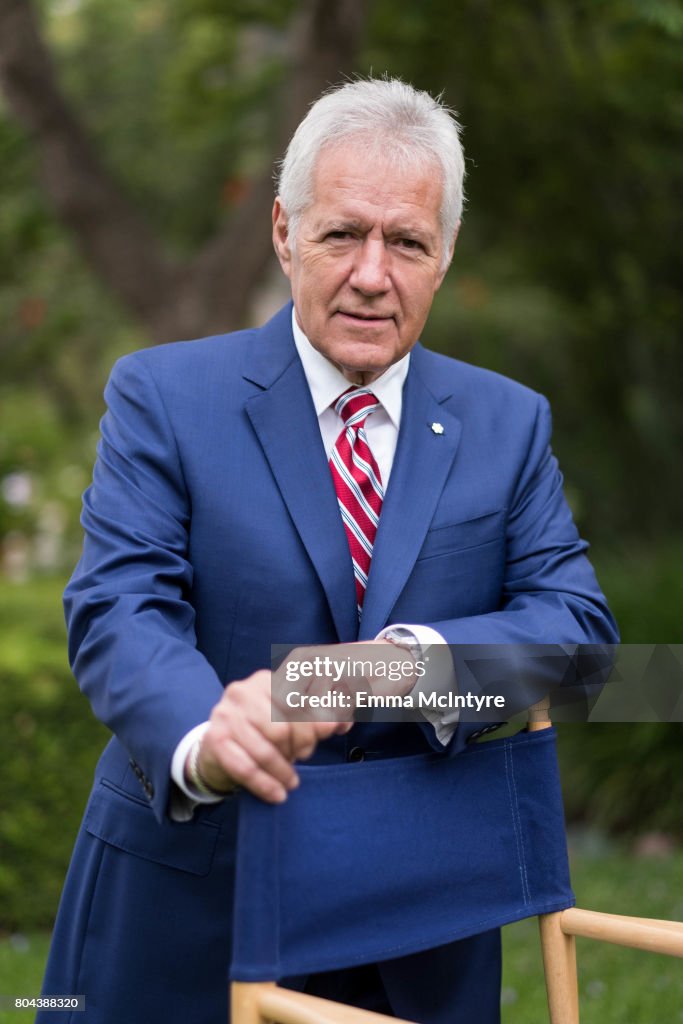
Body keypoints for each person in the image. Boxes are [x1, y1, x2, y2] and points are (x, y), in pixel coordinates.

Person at [39, 77, 618, 1024]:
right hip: (191, 916)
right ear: (282, 232)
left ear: (445, 256)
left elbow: (580, 637)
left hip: (420, 938)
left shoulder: (508, 424)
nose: (371, 273)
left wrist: (387, 674)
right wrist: (208, 739)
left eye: (407, 243)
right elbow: (118, 610)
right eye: (342, 233)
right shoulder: (162, 397)